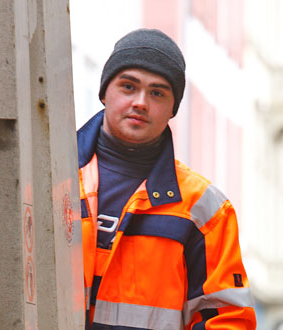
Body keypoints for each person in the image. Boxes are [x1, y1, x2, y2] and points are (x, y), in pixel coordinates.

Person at [77, 28, 256, 329]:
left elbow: (227, 319)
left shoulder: (204, 208)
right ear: (104, 92)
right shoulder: (53, 176)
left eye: (157, 92)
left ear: (173, 109)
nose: (141, 102)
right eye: (128, 86)